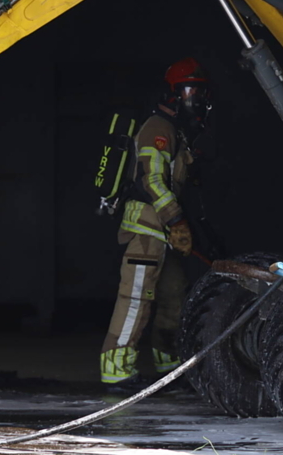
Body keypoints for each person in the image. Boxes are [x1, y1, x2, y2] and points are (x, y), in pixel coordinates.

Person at [99, 58, 211, 388]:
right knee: (136, 298)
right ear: (173, 95)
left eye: (200, 92)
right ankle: (116, 369)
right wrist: (176, 221)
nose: (197, 99)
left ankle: (168, 364)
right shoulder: (157, 129)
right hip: (147, 232)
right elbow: (154, 181)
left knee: (174, 294)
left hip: (163, 235)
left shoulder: (175, 131)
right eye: (191, 91)